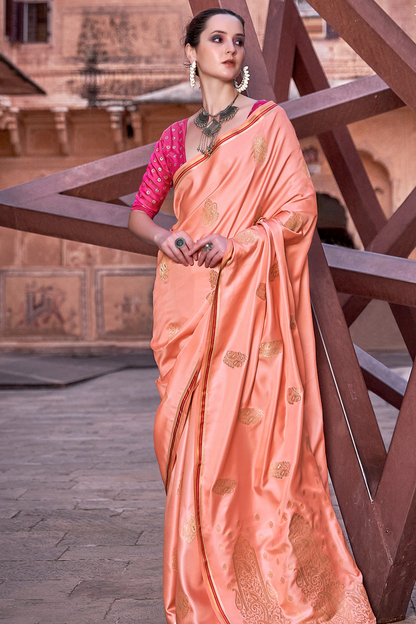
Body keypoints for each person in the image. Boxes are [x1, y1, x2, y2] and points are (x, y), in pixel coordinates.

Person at [128, 8, 375, 624]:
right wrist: (165, 241)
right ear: (191, 50)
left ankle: (269, 587)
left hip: (249, 304)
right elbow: (141, 212)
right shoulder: (172, 139)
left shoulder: (268, 125)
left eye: (239, 41)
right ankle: (201, 581)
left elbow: (297, 211)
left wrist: (236, 244)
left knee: (255, 447)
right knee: (193, 444)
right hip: (188, 301)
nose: (232, 50)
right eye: (217, 39)